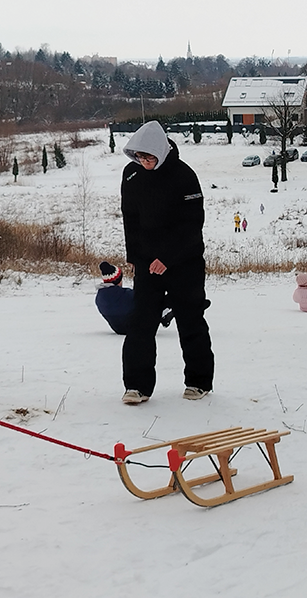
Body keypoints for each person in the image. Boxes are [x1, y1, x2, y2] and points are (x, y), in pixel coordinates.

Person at [119, 120, 214, 404]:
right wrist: (135, 257)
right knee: (141, 322)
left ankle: (199, 381)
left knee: (190, 320)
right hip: (148, 264)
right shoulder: (132, 175)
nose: (145, 162)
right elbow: (130, 219)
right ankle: (137, 386)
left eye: (149, 157)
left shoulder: (184, 176)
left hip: (184, 261)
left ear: (161, 152)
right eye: (140, 157)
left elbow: (192, 224)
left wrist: (168, 258)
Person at [95, 261, 177, 335]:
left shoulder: (99, 298)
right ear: (118, 279)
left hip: (118, 329)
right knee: (158, 299)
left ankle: (162, 315)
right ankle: (163, 315)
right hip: (135, 327)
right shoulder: (125, 294)